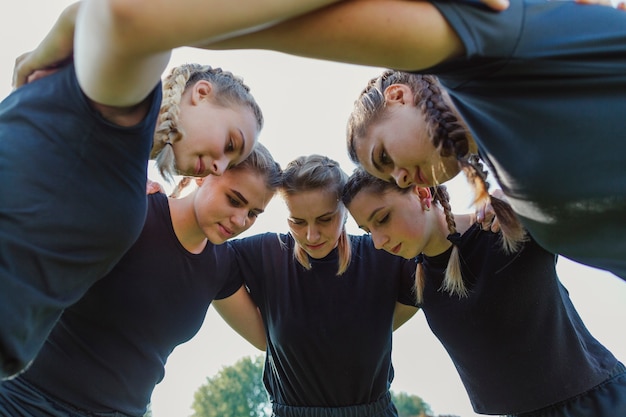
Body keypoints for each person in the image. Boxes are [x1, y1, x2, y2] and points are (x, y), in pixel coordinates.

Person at [179, 0, 626, 281]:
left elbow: (295, 24)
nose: (399, 176)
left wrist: (168, 25)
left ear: (398, 96)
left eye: (383, 155)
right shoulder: (515, 194)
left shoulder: (482, 64)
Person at [0, 0, 304, 378]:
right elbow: (121, 10)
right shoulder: (128, 107)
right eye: (229, 143)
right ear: (201, 93)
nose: (219, 166)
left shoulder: (128, 165)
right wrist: (41, 55)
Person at [0, 143, 282, 417]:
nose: (240, 220)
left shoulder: (222, 266)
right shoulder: (136, 209)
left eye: (254, 214)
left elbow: (267, 338)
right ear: (205, 174)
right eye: (234, 200)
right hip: (24, 399)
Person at [342, 167, 626, 417]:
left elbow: (589, 185)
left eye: (383, 219)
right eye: (368, 231)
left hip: (599, 402)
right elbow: (364, 338)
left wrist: (520, 197)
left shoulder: (503, 225)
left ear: (422, 194)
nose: (378, 242)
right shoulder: (415, 279)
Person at [229, 154, 419, 417]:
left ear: (345, 211)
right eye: (298, 221)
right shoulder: (264, 255)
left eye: (325, 219)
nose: (311, 235)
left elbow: (439, 247)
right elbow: (201, 245)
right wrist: (155, 195)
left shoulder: (385, 254)